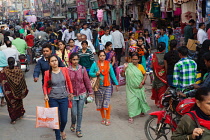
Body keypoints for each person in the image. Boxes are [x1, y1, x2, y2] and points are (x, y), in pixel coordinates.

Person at [43, 55, 73, 140]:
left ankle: (62, 130)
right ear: (49, 63)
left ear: (58, 61)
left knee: (64, 119)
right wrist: (45, 95)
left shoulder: (64, 70)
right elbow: (45, 86)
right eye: (52, 61)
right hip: (53, 98)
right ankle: (58, 137)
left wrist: (71, 92)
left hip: (64, 98)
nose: (54, 62)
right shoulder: (47, 73)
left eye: (55, 60)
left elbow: (68, 81)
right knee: (55, 119)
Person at [89, 50, 119, 126]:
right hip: (98, 86)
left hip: (108, 85)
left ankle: (107, 118)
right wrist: (96, 73)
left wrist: (116, 83)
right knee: (100, 103)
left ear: (105, 56)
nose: (102, 57)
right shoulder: (95, 65)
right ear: (98, 56)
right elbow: (90, 73)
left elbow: (112, 75)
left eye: (103, 55)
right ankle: (103, 118)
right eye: (101, 56)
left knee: (107, 102)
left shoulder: (109, 65)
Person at [68, 53, 93, 137]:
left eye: (77, 59)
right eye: (74, 59)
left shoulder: (82, 69)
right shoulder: (67, 70)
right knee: (73, 112)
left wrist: (90, 92)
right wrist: (68, 93)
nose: (75, 61)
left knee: (80, 113)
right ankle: (73, 123)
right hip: (72, 95)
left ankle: (78, 129)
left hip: (82, 94)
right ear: (71, 60)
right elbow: (66, 83)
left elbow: (87, 81)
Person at [121, 53, 150, 123]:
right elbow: (122, 75)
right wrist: (124, 69)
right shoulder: (128, 66)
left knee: (141, 100)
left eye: (136, 59)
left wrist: (142, 82)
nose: (134, 61)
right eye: (133, 59)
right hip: (130, 88)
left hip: (139, 87)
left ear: (139, 60)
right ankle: (131, 116)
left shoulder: (141, 66)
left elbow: (145, 75)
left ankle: (142, 111)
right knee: (130, 102)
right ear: (131, 59)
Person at [0, 57, 28, 124]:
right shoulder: (17, 70)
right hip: (14, 91)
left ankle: (15, 117)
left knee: (13, 104)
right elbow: (22, 80)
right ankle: (16, 116)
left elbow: (22, 80)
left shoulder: (4, 71)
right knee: (16, 103)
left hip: (11, 91)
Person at [151, 42, 168, 107]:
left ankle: (157, 102)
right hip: (163, 75)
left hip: (156, 74)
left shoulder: (154, 55)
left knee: (157, 87)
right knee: (162, 89)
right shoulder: (166, 55)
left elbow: (152, 66)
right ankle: (161, 103)